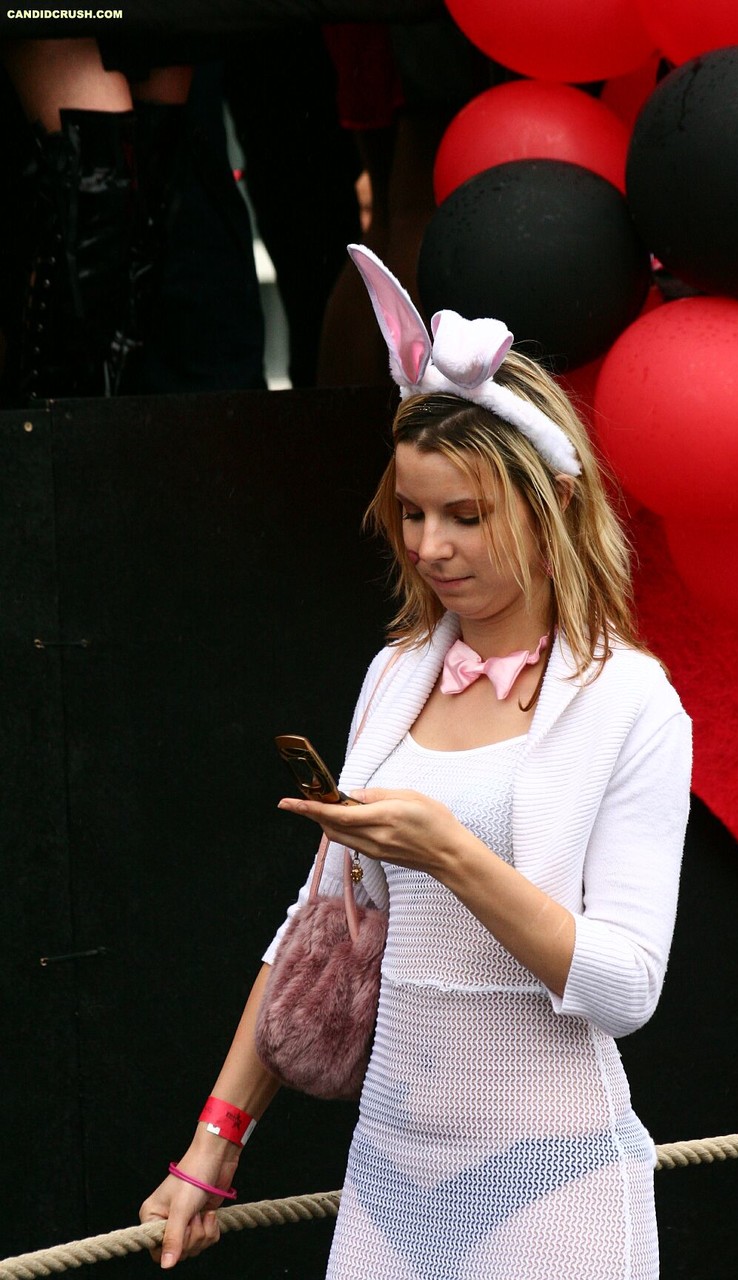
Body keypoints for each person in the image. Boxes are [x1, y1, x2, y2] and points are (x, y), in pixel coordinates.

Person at [139, 246, 692, 1279]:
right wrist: (211, 1148)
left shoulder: (629, 702)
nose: (430, 545)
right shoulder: (396, 675)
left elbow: (624, 989)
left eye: (465, 516)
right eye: (411, 510)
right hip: (386, 1188)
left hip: (557, 1189)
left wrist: (448, 853)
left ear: (552, 505)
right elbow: (313, 930)